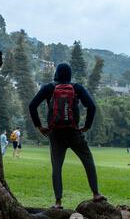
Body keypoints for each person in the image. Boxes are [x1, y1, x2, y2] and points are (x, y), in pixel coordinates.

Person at [29, 63, 106, 210]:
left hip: (55, 134)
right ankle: (96, 193)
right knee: (88, 160)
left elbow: (32, 105)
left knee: (57, 167)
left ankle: (58, 202)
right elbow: (92, 106)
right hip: (74, 133)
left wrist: (39, 126)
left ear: (56, 73)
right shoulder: (77, 88)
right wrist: (87, 126)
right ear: (69, 74)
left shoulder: (48, 88)